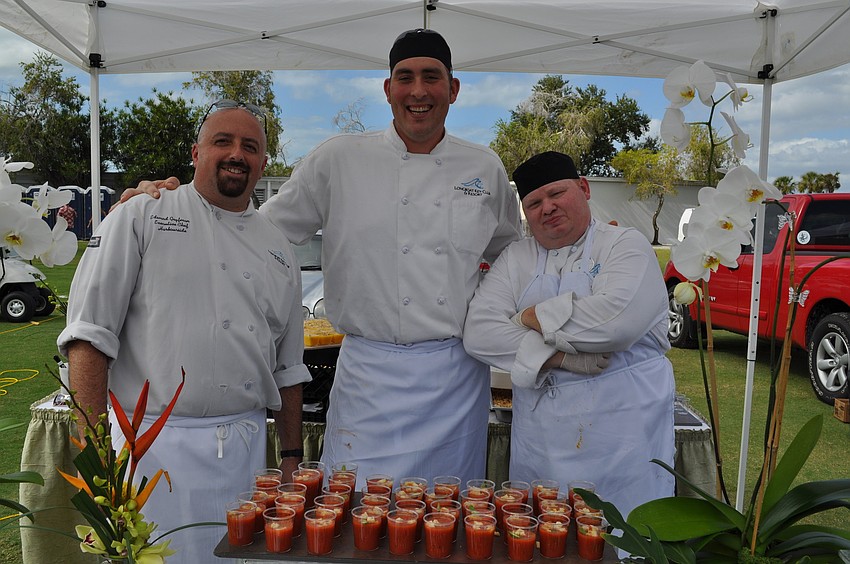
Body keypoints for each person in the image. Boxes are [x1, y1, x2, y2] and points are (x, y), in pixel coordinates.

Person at [125, 28, 522, 487]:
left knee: (444, 519)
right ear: (388, 89)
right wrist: (176, 201)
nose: (418, 91)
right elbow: (255, 231)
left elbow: (511, 257)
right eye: (405, 77)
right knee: (355, 519)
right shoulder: (339, 159)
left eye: (431, 77)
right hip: (368, 375)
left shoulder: (484, 168)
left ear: (452, 89)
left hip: (455, 379)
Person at [57, 101, 311, 563]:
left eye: (250, 146)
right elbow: (88, 338)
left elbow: (289, 368)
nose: (237, 154)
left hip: (245, 454)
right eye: (223, 142)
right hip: (150, 455)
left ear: (263, 163)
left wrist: (291, 455)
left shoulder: (279, 249)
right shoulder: (140, 215)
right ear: (195, 153)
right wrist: (98, 464)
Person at [463, 151, 675, 520]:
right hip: (541, 443)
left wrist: (528, 316)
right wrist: (564, 358)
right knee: (542, 537)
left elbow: (614, 324)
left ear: (584, 189)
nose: (547, 207)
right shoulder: (516, 258)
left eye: (557, 194)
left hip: (624, 440)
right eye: (534, 202)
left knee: (624, 540)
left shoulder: (625, 245)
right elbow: (479, 333)